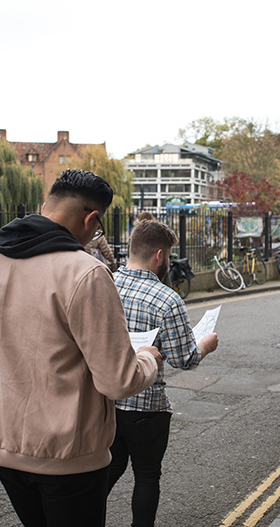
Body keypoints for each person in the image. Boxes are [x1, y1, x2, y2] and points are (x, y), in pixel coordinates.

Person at [0, 169, 161, 527]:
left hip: (0, 447)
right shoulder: (85, 273)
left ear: (44, 205)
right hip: (68, 454)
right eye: (96, 229)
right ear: (91, 218)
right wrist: (147, 359)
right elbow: (118, 381)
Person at [107, 219, 218, 526]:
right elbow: (184, 358)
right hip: (148, 405)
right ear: (160, 256)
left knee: (105, 472)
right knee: (146, 476)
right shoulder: (167, 299)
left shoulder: (105, 283)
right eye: (168, 256)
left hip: (106, 401)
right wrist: (205, 345)